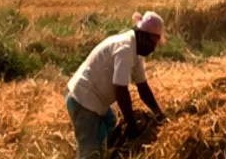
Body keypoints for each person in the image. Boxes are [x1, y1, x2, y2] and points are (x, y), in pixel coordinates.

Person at [65, 11, 167, 159]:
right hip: (83, 101)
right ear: (143, 36)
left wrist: (159, 114)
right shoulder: (125, 48)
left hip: (95, 102)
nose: (153, 49)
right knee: (90, 154)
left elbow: (143, 87)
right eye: (153, 43)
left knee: (112, 126)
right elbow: (121, 90)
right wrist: (132, 125)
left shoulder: (136, 51)